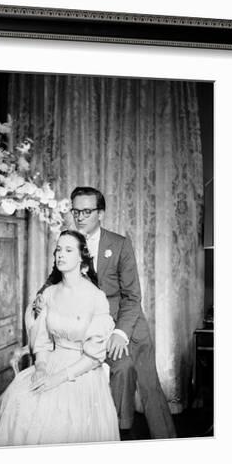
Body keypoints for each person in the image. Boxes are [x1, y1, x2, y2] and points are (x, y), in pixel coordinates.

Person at [0, 230, 120, 447]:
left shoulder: (96, 297)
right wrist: (42, 367)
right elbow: (42, 341)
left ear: (82, 257)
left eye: (68, 250)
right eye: (58, 250)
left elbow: (94, 357)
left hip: (82, 370)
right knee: (18, 403)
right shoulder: (49, 294)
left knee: (63, 420)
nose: (60, 254)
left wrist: (58, 378)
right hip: (51, 361)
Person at [67, 186, 176, 439]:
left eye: (87, 211)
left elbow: (133, 297)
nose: (80, 217)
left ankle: (168, 443)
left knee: (149, 386)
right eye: (76, 211)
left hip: (128, 324)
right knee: (122, 369)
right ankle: (116, 431)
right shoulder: (69, 242)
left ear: (100, 213)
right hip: (92, 326)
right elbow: (56, 276)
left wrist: (120, 333)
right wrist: (42, 296)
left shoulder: (119, 244)